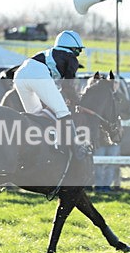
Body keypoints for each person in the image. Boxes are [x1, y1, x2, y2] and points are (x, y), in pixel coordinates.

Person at [13, 30, 85, 160]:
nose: (79, 54)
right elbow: (68, 85)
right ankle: (76, 148)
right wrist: (77, 100)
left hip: (19, 75)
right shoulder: (71, 59)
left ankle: (33, 147)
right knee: (63, 112)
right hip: (38, 74)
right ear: (73, 49)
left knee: (35, 115)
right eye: (78, 51)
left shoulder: (48, 52)